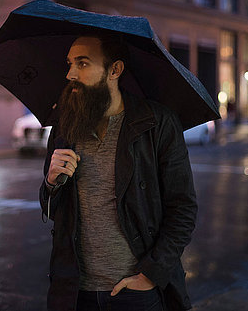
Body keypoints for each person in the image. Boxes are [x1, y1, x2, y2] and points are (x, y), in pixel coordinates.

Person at [39, 34, 198, 311]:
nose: (70, 74)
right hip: (75, 293)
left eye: (83, 63)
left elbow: (182, 209)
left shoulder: (156, 124)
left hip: (135, 293)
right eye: (70, 63)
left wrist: (149, 275)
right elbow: (52, 210)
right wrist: (51, 183)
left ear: (115, 70)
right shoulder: (65, 127)